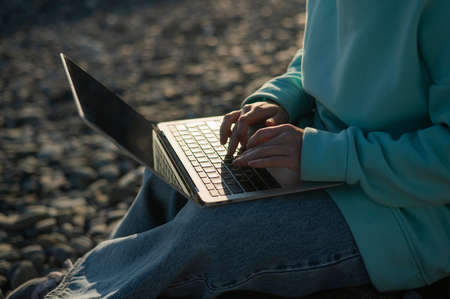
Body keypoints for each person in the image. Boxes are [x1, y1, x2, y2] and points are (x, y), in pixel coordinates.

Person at [7, 1, 450, 298]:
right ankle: (78, 283)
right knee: (168, 169)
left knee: (210, 233)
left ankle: (67, 292)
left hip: (403, 216)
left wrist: (323, 155)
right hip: (324, 158)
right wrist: (278, 100)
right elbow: (313, 59)